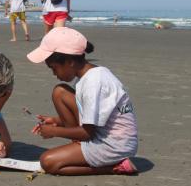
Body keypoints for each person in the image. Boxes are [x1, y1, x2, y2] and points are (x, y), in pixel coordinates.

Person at [27, 27, 138, 175]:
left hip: (114, 145)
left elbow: (87, 132)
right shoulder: (89, 76)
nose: (54, 73)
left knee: (48, 162)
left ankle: (114, 167)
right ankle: (78, 147)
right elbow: (91, 116)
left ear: (70, 61)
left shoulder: (93, 82)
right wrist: (55, 121)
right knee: (60, 92)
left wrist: (54, 131)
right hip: (104, 134)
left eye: (54, 68)